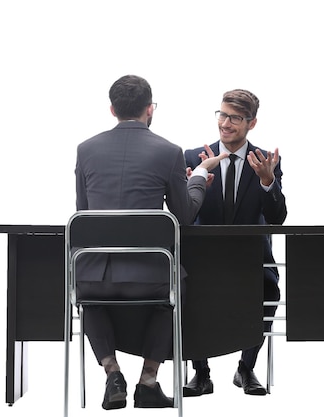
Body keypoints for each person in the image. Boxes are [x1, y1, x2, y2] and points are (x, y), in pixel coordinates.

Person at [74, 74, 227, 410]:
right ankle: (148, 381)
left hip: (95, 275)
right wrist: (199, 177)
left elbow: (82, 214)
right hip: (150, 278)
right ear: (150, 109)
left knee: (88, 295)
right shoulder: (169, 152)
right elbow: (184, 216)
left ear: (112, 109)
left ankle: (112, 372)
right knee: (175, 290)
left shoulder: (85, 150)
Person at [183, 89, 287, 396]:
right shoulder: (192, 157)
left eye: (235, 118)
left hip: (250, 258)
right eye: (223, 115)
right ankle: (200, 373)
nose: (226, 124)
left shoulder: (265, 161)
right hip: (203, 257)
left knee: (269, 289)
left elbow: (277, 218)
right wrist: (196, 180)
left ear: (251, 123)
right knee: (187, 287)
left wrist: (268, 181)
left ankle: (246, 369)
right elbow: (183, 215)